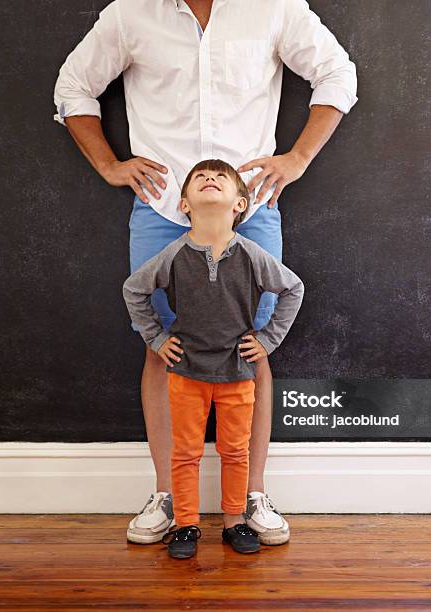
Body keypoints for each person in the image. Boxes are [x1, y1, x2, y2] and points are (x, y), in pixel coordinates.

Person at [53, 0, 358, 545]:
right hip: (163, 207)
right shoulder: (129, 13)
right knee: (160, 346)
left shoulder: (276, 8)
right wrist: (109, 164)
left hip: (252, 208)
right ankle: (168, 495)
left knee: (255, 344)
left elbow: (338, 73)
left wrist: (298, 158)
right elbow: (74, 86)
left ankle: (253, 496)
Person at [122, 159, 304, 558]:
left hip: (238, 375)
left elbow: (293, 289)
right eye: (200, 178)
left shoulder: (252, 254)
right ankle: (185, 524)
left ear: (240, 204)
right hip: (186, 374)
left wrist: (269, 340)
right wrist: (155, 337)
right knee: (185, 452)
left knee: (235, 450)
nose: (209, 179)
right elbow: (134, 290)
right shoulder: (173, 254)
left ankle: (235, 520)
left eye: (220, 178)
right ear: (183, 204)